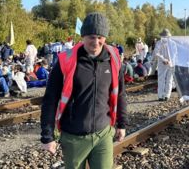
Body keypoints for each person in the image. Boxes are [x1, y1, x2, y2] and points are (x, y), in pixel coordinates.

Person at [40, 12, 127, 169]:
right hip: (74, 136)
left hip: (103, 133)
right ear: (83, 36)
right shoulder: (65, 60)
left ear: (105, 37)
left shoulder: (113, 58)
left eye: (100, 37)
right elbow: (50, 100)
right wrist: (47, 136)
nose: (96, 41)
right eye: (91, 37)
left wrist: (122, 123)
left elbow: (120, 93)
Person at [153, 29, 176, 101]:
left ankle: (167, 95)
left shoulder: (172, 43)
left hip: (170, 63)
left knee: (169, 79)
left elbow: (174, 54)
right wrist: (163, 59)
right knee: (162, 79)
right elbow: (156, 52)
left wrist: (168, 60)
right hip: (163, 63)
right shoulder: (159, 43)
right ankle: (161, 95)